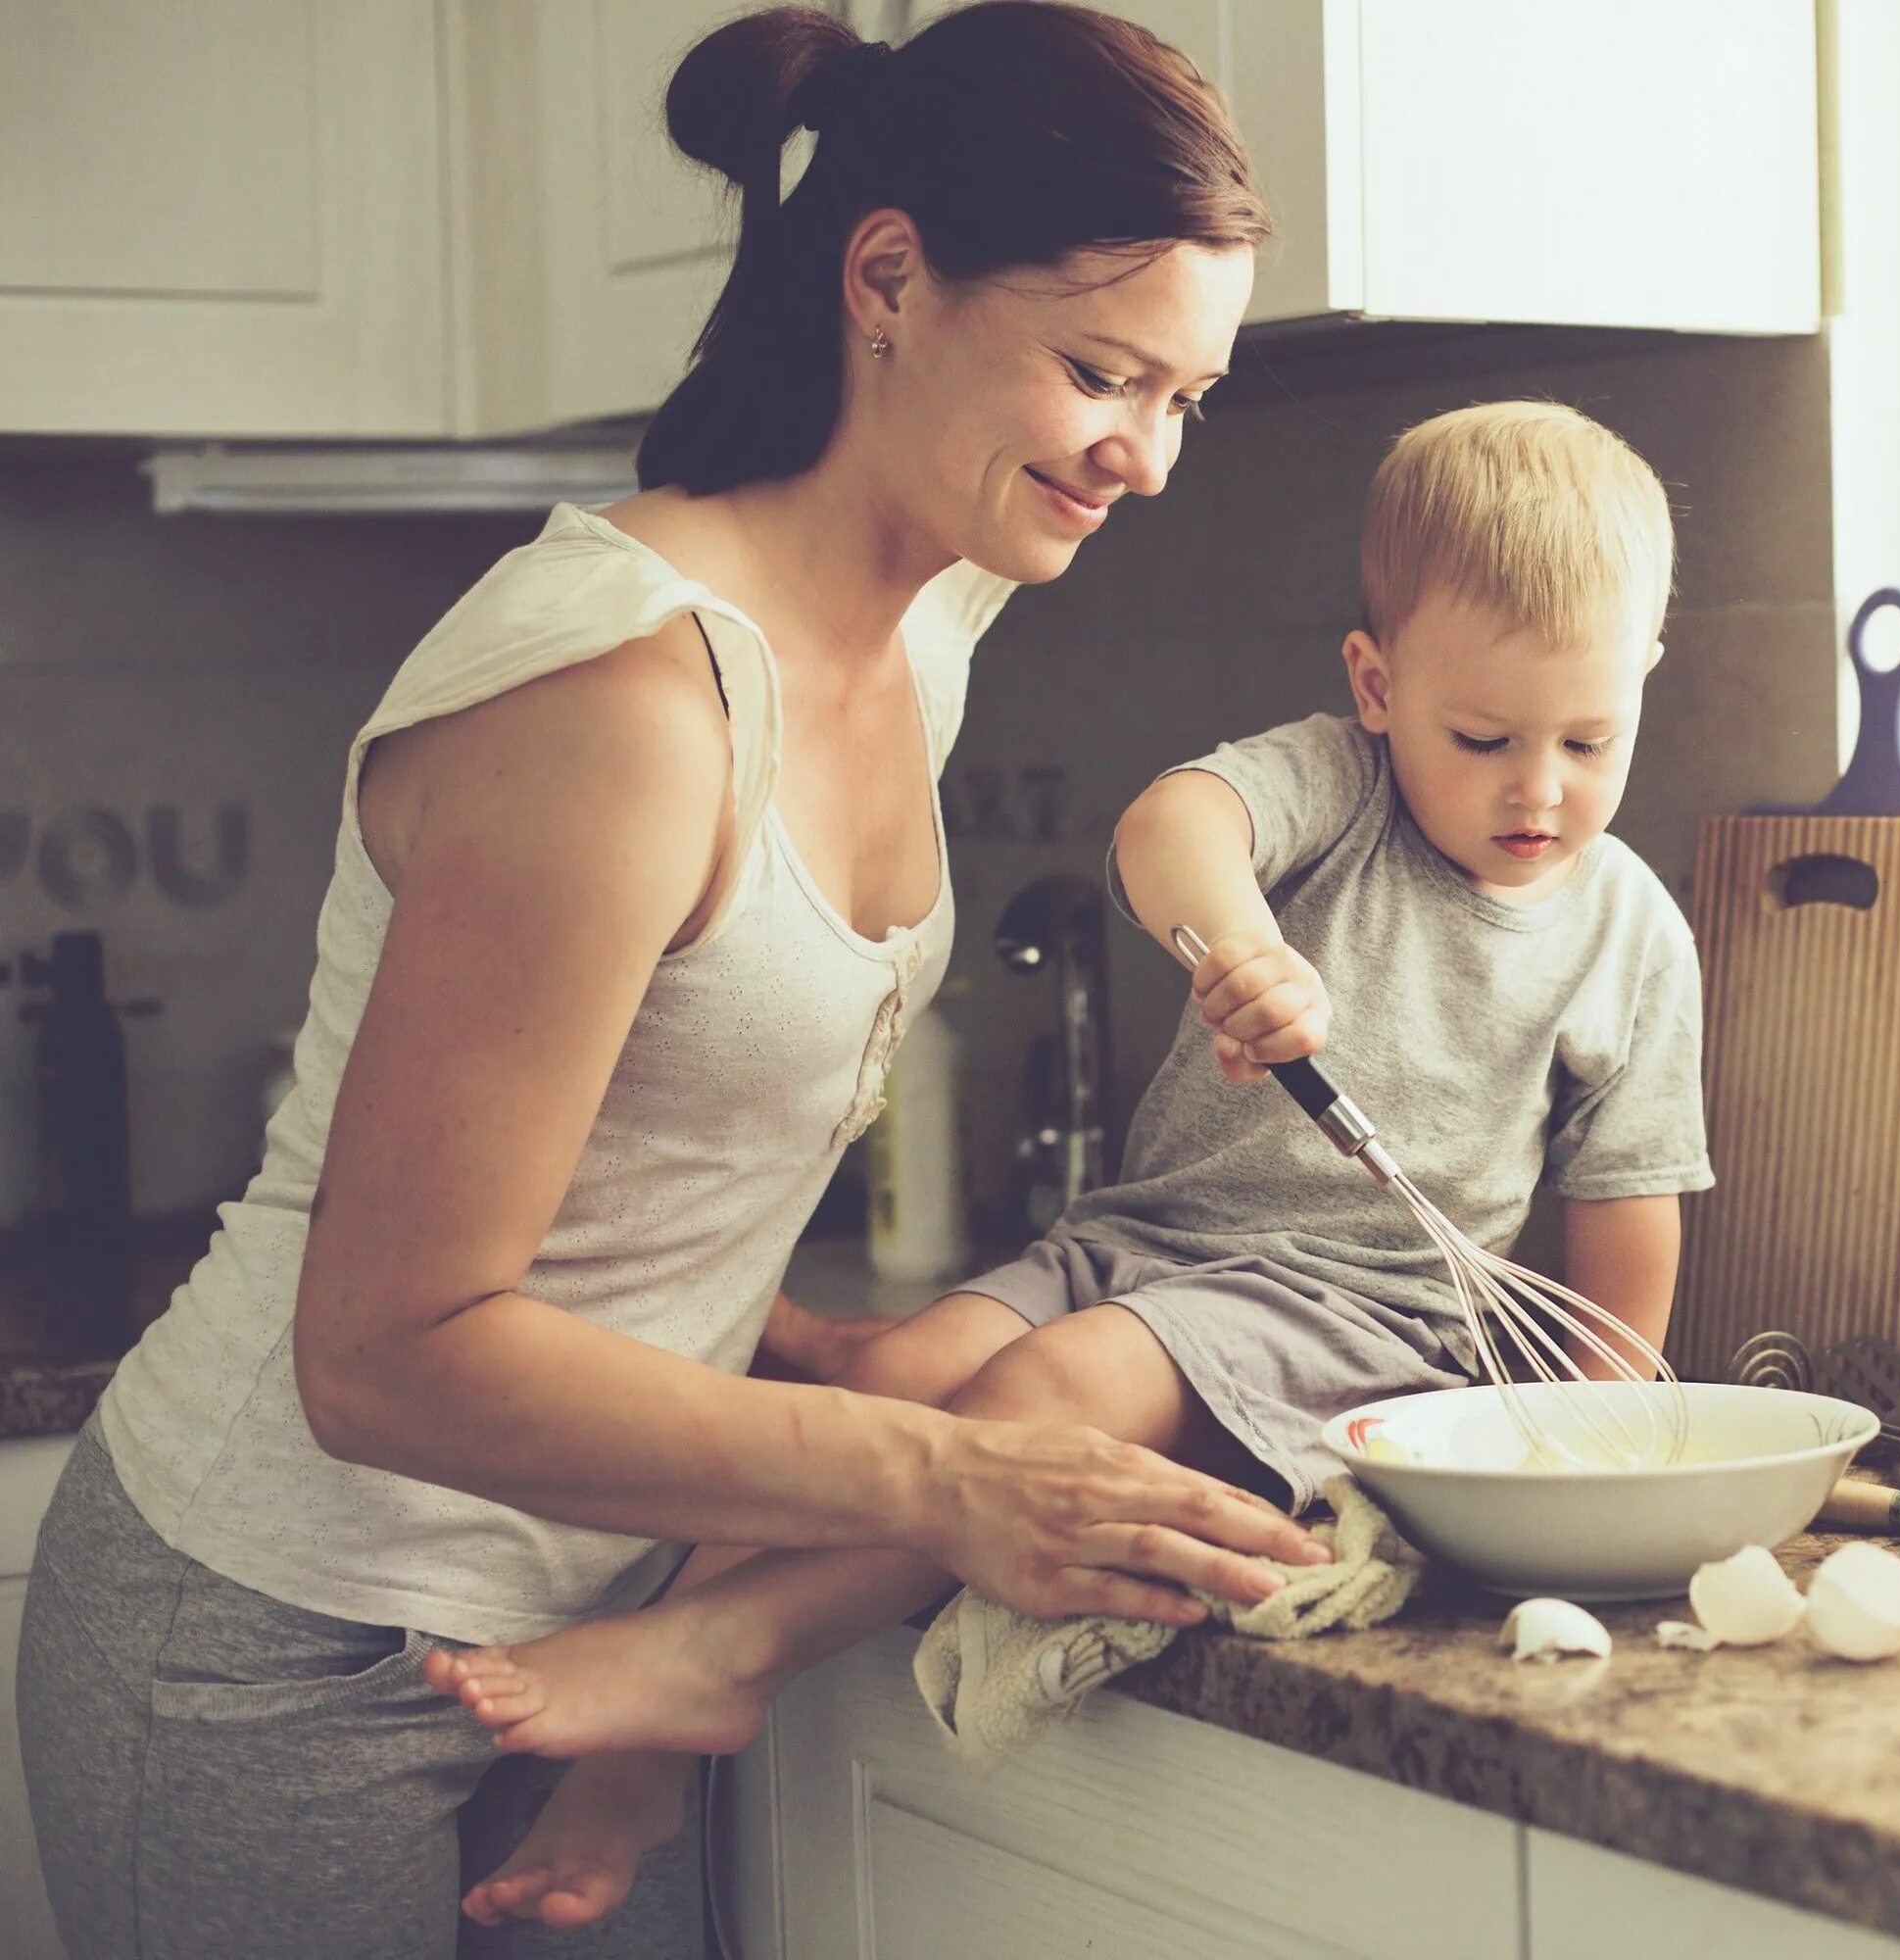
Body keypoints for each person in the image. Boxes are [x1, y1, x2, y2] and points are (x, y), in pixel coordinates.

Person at [11, 7, 1329, 1955]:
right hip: (275, 1644)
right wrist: (942, 1473)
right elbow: (383, 1345)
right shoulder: (626, 695)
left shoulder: (934, 606)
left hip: (598, 1617)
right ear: (886, 278)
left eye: (1190, 394)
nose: (1145, 457)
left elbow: (633, 1143)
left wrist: (808, 1348)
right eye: (1100, 372)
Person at [419, 399, 1717, 1918]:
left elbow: (1624, 1290)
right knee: (891, 1385)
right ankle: (636, 1771)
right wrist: (1236, 943)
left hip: (1366, 1311)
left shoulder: (1631, 934)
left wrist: (1587, 1476)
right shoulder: (1334, 792)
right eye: (1483, 739)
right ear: (1376, 686)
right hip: (1145, 1242)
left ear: (1644, 689)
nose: (1538, 791)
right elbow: (1172, 824)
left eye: (1590, 739)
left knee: (1041, 1402)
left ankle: (725, 1649)